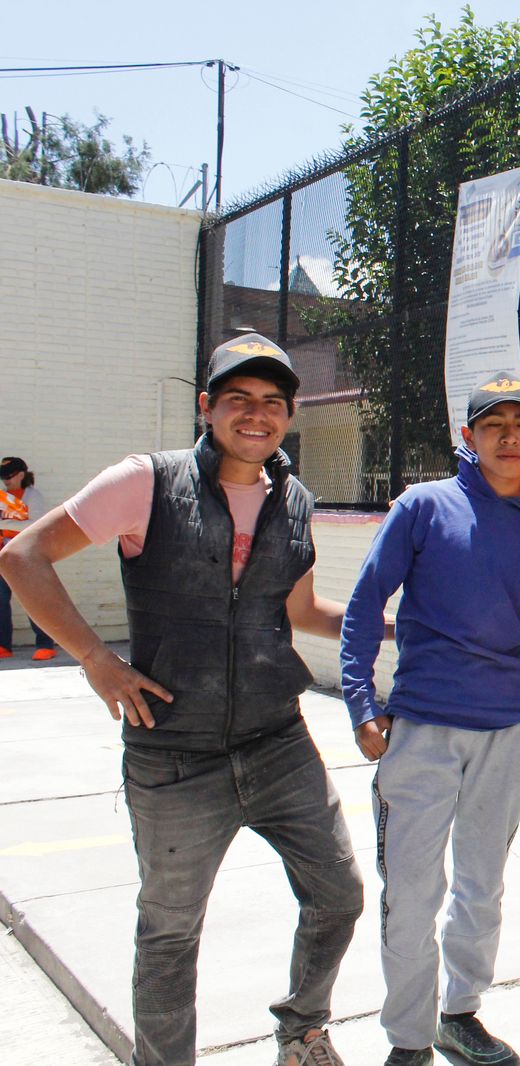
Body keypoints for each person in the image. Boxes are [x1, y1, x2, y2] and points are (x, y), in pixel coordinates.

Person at [0, 334, 366, 1066]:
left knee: (340, 894)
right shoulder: (146, 481)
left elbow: (299, 612)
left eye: (272, 402)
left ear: (290, 415)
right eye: (238, 399)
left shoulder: (292, 500)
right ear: (207, 407)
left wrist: (394, 625)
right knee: (170, 931)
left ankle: (302, 1030)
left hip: (277, 740)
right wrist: (96, 659)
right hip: (173, 754)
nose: (255, 415)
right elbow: (21, 555)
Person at [340, 371, 520, 1066]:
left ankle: (460, 1014)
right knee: (411, 894)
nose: (508, 436)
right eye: (492, 423)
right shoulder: (423, 506)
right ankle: (408, 1040)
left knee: (482, 885)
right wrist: (361, 704)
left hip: (515, 732)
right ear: (468, 437)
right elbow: (364, 606)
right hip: (423, 730)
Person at [0, 456, 57, 659]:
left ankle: (45, 644)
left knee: (33, 600)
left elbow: (33, 526)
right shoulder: (2, 497)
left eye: (9, 475)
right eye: (3, 476)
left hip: (28, 555)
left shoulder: (34, 497)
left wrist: (4, 526)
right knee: (0, 600)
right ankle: (3, 646)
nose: (5, 480)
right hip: (5, 555)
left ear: (21, 475)